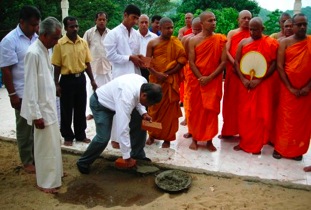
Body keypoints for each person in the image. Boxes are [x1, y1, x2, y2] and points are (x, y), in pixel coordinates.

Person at [76, 74, 162, 174]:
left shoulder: (142, 82)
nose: (150, 106)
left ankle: (137, 155)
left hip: (116, 101)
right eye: (150, 104)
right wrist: (126, 156)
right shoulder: (126, 98)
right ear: (144, 95)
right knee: (103, 138)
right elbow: (123, 128)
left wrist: (143, 112)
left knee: (139, 119)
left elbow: (137, 100)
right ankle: (83, 162)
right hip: (101, 104)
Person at [20, 17, 63, 194]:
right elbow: (30, 87)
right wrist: (36, 115)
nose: (57, 42)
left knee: (53, 144)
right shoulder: (33, 53)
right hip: (41, 111)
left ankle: (55, 174)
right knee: (44, 147)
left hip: (50, 106)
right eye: (54, 38)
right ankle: (44, 182)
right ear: (44, 35)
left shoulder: (46, 50)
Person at [0, 5, 41, 173]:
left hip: (37, 91)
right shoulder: (10, 41)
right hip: (21, 92)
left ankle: (36, 156)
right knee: (24, 127)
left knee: (37, 127)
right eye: (32, 25)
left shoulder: (36, 38)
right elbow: (6, 70)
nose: (35, 28)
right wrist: (12, 95)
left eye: (37, 24)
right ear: (21, 22)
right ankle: (27, 161)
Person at [233, 17, 279, 154]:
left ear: (262, 29)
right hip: (245, 84)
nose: (252, 32)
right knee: (244, 114)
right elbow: (236, 63)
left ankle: (256, 145)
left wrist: (260, 80)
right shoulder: (243, 42)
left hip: (262, 84)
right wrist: (243, 79)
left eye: (256, 29)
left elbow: (274, 64)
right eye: (251, 29)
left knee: (258, 115)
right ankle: (244, 142)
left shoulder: (271, 43)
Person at [52, 16, 97, 146]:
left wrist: (92, 80)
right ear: (65, 28)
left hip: (80, 79)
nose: (75, 29)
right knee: (66, 109)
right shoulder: (59, 44)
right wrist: (56, 83)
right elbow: (57, 65)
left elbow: (87, 62)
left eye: (76, 26)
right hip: (66, 80)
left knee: (80, 107)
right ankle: (67, 136)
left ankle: (80, 135)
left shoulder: (83, 42)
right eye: (71, 27)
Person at [104, 5, 145, 149]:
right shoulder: (113, 33)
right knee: (119, 108)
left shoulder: (136, 34)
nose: (135, 21)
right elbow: (110, 56)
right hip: (120, 75)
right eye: (133, 18)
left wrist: (139, 59)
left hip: (134, 74)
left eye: (137, 19)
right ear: (125, 15)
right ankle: (115, 139)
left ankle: (130, 137)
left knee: (134, 106)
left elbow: (136, 53)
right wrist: (129, 58)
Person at [273, 13, 311, 161]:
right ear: (293, 26)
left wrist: (308, 86)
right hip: (288, 89)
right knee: (285, 119)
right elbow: (280, 66)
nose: (302, 27)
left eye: (305, 24)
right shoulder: (285, 42)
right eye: (299, 24)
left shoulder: (309, 42)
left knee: (301, 122)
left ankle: (297, 150)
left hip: (306, 91)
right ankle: (280, 148)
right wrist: (290, 87)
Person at [187, 12, 227, 151]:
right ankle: (195, 139)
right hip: (198, 81)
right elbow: (191, 62)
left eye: (215, 20)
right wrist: (200, 78)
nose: (214, 22)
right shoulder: (193, 40)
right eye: (210, 20)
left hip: (213, 80)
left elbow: (223, 63)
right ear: (202, 23)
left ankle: (209, 140)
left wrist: (209, 78)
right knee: (196, 110)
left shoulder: (220, 39)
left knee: (211, 111)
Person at [145, 17, 187, 148]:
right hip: (156, 81)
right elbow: (147, 63)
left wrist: (167, 74)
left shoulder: (176, 42)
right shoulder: (152, 43)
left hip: (169, 82)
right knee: (153, 109)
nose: (170, 30)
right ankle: (152, 135)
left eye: (172, 27)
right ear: (160, 28)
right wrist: (158, 74)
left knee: (169, 112)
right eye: (167, 28)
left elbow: (182, 61)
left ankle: (167, 139)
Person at [220, 10, 252, 139]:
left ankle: (244, 131)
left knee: (245, 104)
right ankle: (228, 130)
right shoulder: (232, 33)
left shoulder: (254, 34)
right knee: (230, 101)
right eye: (244, 18)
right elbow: (226, 51)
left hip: (247, 74)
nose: (246, 20)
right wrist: (235, 64)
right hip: (233, 73)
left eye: (249, 18)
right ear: (238, 20)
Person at [83, 12, 112, 121]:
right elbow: (84, 50)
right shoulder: (89, 33)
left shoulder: (111, 33)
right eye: (99, 19)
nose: (101, 21)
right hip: (93, 67)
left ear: (106, 20)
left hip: (107, 67)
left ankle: (107, 109)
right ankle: (91, 112)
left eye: (104, 19)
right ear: (95, 20)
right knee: (91, 90)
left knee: (108, 89)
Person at [180, 17, 202, 138]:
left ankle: (202, 130)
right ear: (191, 29)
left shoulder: (210, 39)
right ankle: (190, 126)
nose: (197, 32)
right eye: (195, 30)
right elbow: (183, 58)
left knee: (203, 105)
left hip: (205, 74)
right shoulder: (187, 39)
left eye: (200, 29)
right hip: (190, 73)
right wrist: (182, 72)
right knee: (190, 100)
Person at [137, 14, 157, 81]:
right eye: (142, 22)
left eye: (146, 22)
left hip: (151, 69)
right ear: (138, 23)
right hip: (136, 68)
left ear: (149, 23)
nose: (144, 24)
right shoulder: (132, 36)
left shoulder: (155, 37)